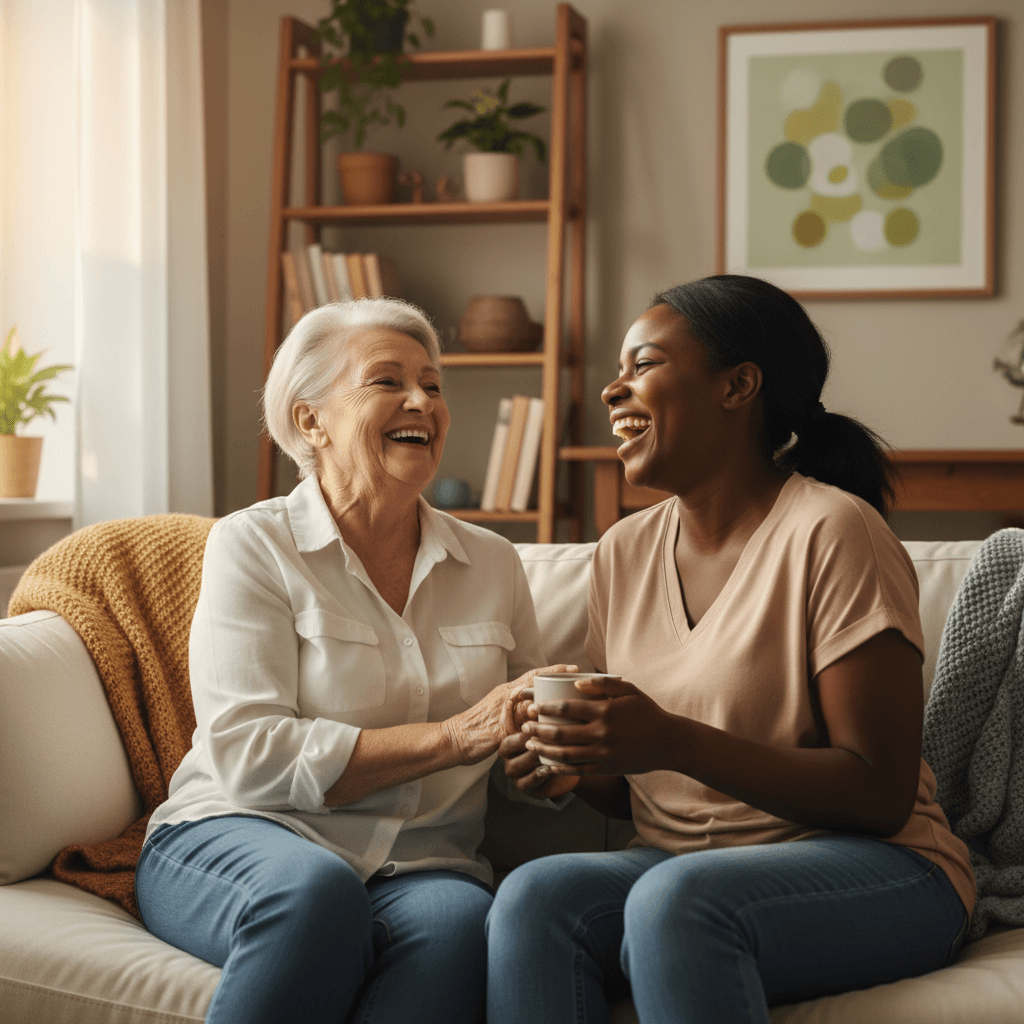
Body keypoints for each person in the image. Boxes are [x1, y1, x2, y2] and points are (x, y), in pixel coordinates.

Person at [486, 274, 976, 1024]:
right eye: (618, 371)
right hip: (682, 869)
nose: (615, 391)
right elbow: (638, 792)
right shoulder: (623, 552)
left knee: (675, 901)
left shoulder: (833, 533)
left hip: (879, 868)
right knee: (533, 897)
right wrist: (575, 765)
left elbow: (877, 794)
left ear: (737, 386)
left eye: (644, 365)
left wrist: (672, 739)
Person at [135, 298, 567, 1024]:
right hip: (243, 832)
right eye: (387, 381)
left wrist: (550, 755)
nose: (421, 401)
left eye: (432, 384)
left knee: (461, 925)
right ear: (311, 422)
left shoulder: (492, 562)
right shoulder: (255, 545)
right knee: (316, 893)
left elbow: (514, 752)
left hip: (427, 864)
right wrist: (456, 736)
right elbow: (249, 755)